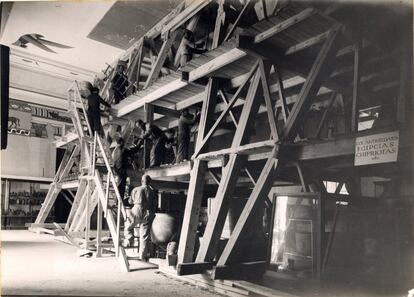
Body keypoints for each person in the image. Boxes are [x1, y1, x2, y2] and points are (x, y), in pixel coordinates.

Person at [124, 174, 157, 261]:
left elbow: (130, 202)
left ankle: (129, 240)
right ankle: (142, 256)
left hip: (137, 209)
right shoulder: (152, 191)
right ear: (149, 182)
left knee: (129, 225)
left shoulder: (136, 189)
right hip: (148, 212)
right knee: (144, 236)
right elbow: (154, 204)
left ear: (142, 181)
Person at [112, 136, 143, 202]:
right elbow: (133, 151)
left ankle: (117, 200)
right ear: (121, 142)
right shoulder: (123, 150)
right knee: (121, 186)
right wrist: (140, 143)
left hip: (117, 170)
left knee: (120, 185)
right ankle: (119, 200)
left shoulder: (115, 150)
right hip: (121, 170)